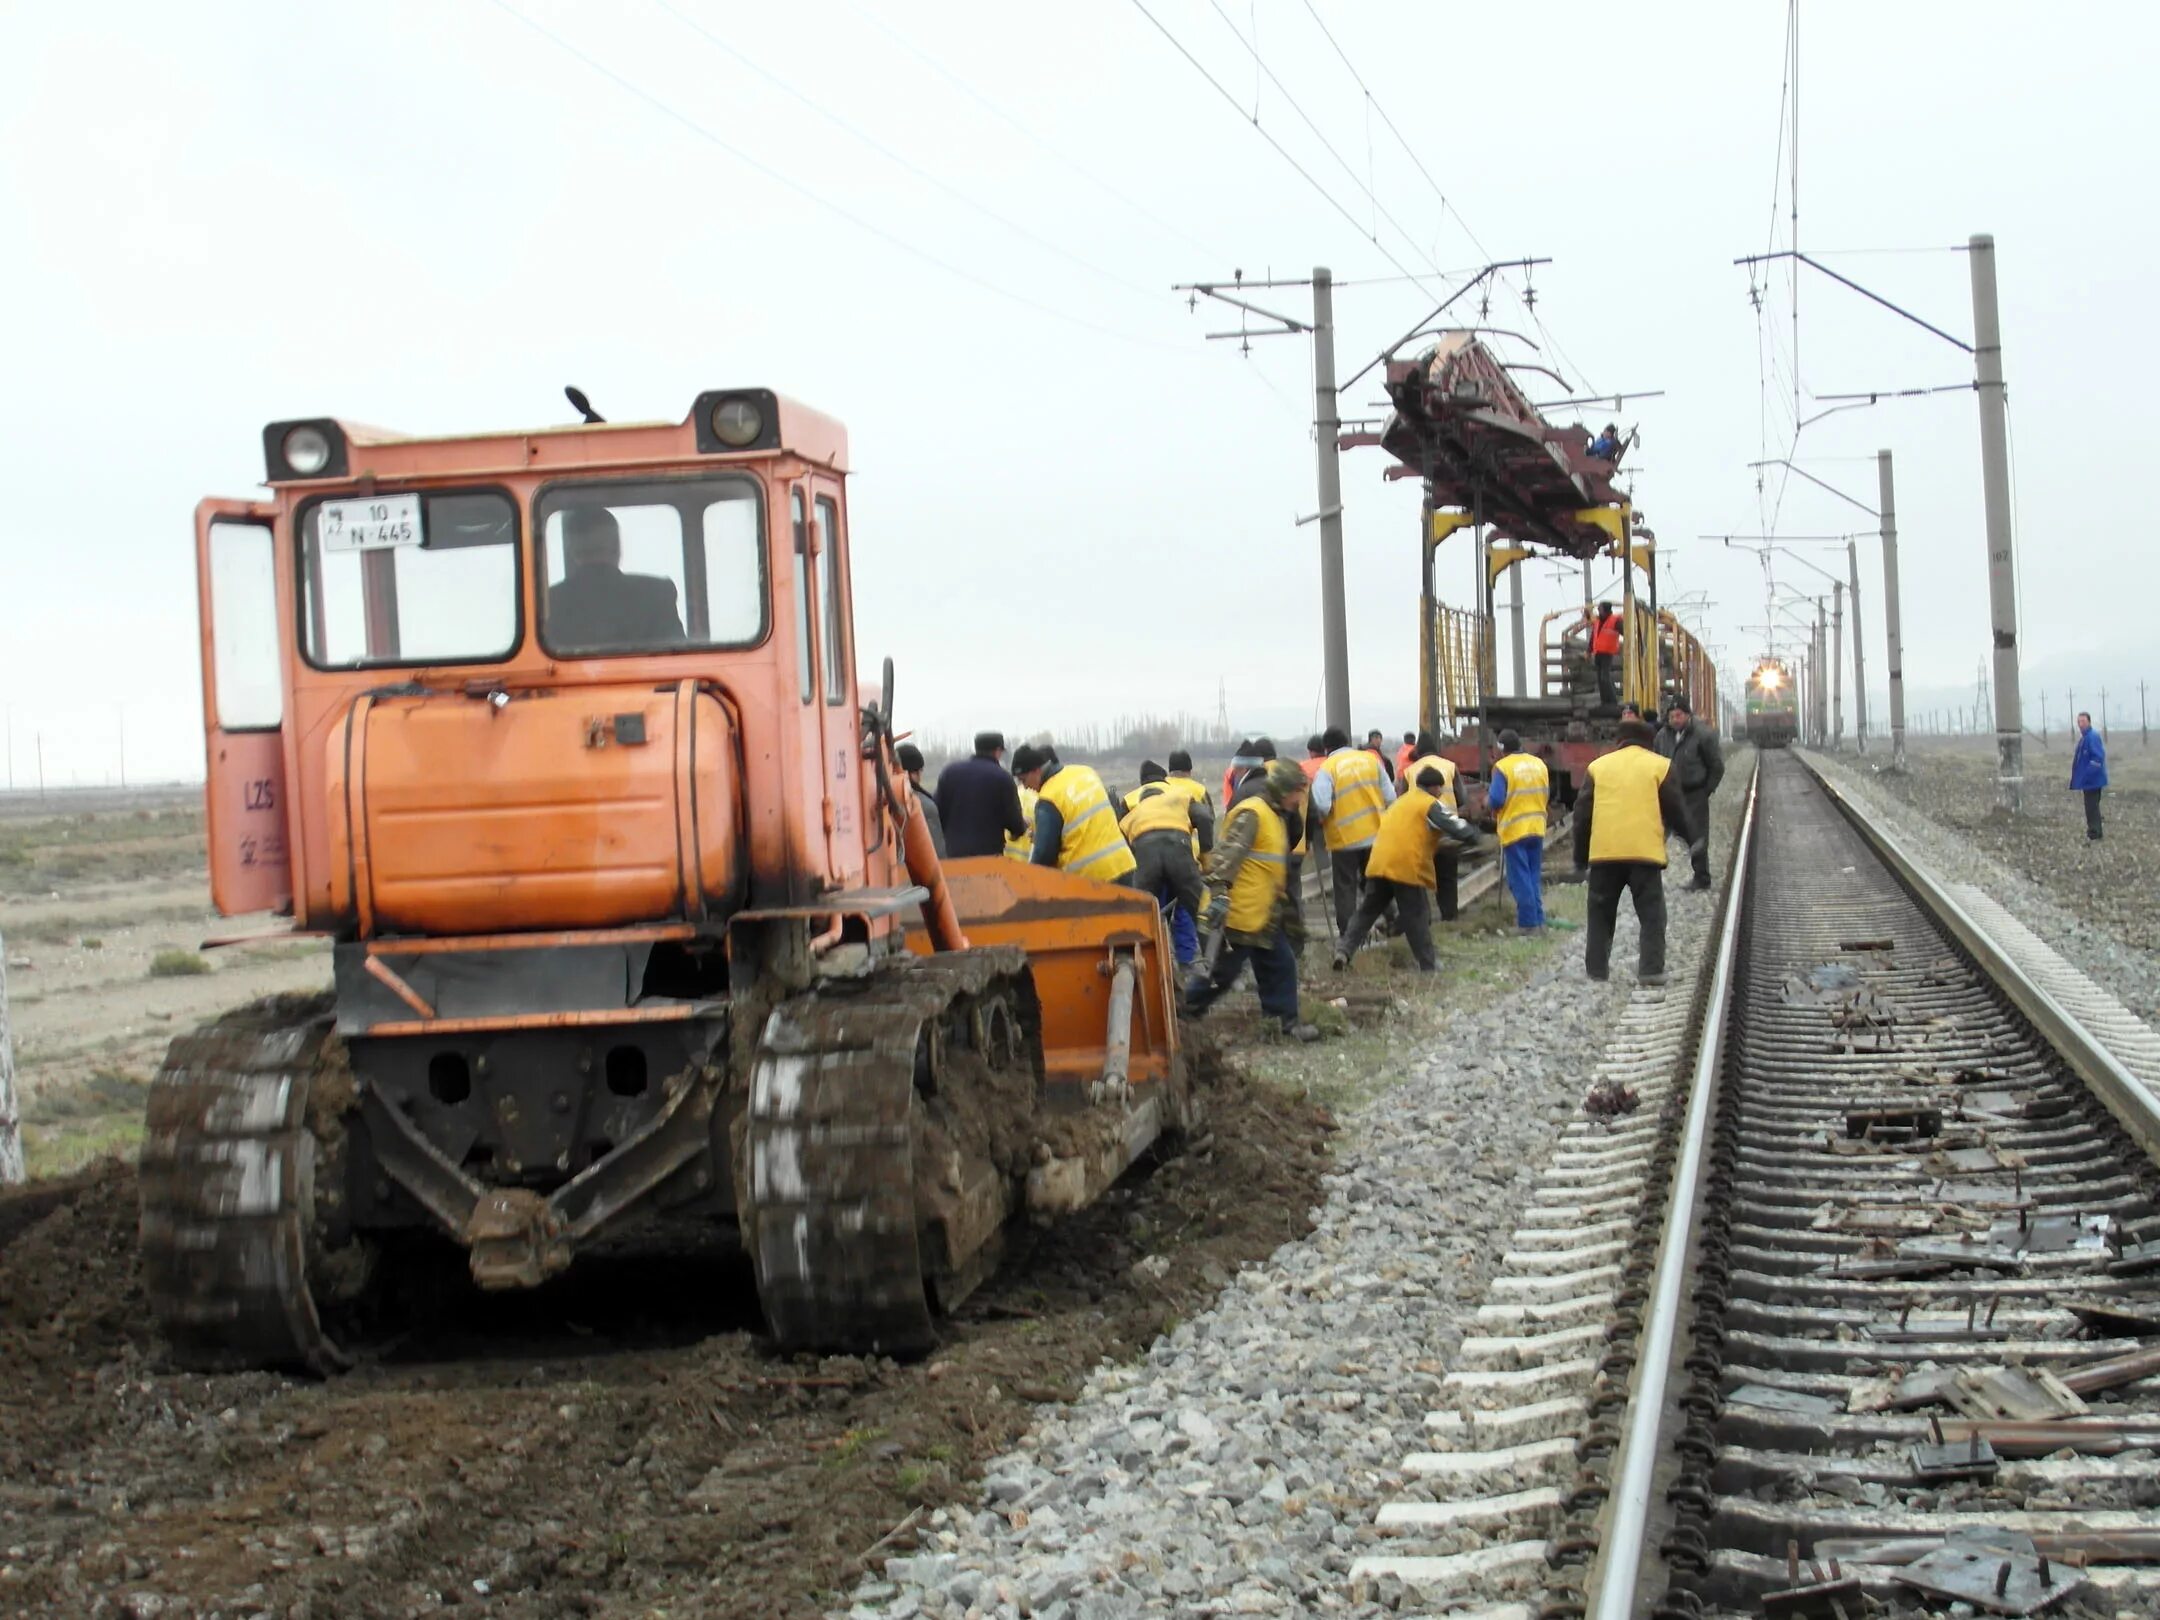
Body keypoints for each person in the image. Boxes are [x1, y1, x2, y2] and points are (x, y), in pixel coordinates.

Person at [1185, 760, 1319, 1042]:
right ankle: (1182, 1016)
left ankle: (1284, 1024)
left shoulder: (1275, 814)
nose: (1300, 799)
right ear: (1284, 789)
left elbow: (1265, 866)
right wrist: (1220, 896)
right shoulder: (1253, 814)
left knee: (1281, 965)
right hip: (1236, 915)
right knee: (1221, 975)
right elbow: (1224, 858)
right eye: (1298, 791)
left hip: (1260, 913)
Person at [1572, 718, 1692, 986]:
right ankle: (1650, 970)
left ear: (1619, 741)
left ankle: (1597, 971)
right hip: (1644, 855)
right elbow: (1676, 810)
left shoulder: (1597, 768)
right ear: (1649, 742)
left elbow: (1581, 817)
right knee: (1652, 915)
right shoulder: (1660, 766)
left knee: (1600, 914)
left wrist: (1580, 858)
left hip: (1604, 854)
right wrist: (1691, 840)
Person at [1332, 766, 1483, 973]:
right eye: (1439, 789)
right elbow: (1455, 826)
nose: (1440, 793)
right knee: (1417, 915)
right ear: (1434, 787)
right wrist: (1475, 834)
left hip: (1379, 862)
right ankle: (1428, 965)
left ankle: (1344, 951)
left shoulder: (1400, 802)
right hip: (1405, 866)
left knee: (1367, 912)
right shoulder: (1428, 803)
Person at [547, 507, 687, 652]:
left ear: (573, 552)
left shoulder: (550, 601)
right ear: (617, 547)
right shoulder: (658, 593)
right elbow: (678, 655)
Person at [1309, 726, 1395, 925]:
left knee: (1345, 888)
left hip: (1344, 841)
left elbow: (1322, 805)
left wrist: (1320, 821)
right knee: (1376, 883)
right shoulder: (1370, 760)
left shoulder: (1327, 769)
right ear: (1346, 742)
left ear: (1326, 748)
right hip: (1376, 836)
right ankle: (1393, 919)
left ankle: (1347, 935)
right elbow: (1391, 797)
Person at [1016, 744, 1136, 884]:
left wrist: (1029, 882)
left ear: (1036, 771)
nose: (1025, 787)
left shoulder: (1048, 799)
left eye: (1023, 780)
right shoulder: (1086, 772)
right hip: (1123, 865)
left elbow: (1044, 855)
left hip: (1090, 880)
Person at [1121, 763, 1204, 965]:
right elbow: (1204, 817)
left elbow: (1123, 841)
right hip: (1183, 859)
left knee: (1152, 913)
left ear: (1142, 782)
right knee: (1185, 911)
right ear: (1164, 778)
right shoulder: (1181, 793)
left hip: (1147, 862)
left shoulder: (1130, 799)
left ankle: (1156, 961)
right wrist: (1206, 857)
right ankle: (1188, 961)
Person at [1654, 699, 1724, 891]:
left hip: (1694, 793)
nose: (1675, 720)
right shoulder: (1662, 736)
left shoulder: (1703, 735)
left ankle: (1702, 878)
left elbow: (1716, 766)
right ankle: (1649, 880)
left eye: (1678, 715)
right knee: (1656, 834)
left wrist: (1705, 790)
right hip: (1668, 794)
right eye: (1671, 716)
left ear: (1688, 715)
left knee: (1697, 836)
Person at [1487, 730, 1550, 931]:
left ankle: (1528, 924)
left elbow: (1496, 800)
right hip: (1537, 827)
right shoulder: (1539, 764)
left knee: (1520, 878)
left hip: (1515, 830)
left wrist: (1486, 802)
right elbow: (1546, 793)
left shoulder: (1503, 768)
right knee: (1532, 875)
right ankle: (1539, 921)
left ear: (1501, 748)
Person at [1401, 732, 1465, 920]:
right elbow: (1461, 798)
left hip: (1421, 835)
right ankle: (1450, 915)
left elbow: (1402, 801)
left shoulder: (1410, 771)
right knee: (1447, 878)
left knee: (1420, 879)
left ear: (1418, 751)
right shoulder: (1450, 767)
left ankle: (1424, 918)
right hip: (1447, 833)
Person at [936, 731, 1029, 858]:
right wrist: (1021, 827)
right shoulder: (1002, 777)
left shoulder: (949, 772)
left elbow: (937, 811)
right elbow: (1013, 819)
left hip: (954, 854)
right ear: (998, 751)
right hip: (989, 856)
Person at [894, 743, 946, 858]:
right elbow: (936, 848)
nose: (919, 776)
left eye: (920, 771)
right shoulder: (924, 805)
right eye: (916, 772)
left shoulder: (885, 799)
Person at [2071, 711, 2109, 840]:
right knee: (2091, 807)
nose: (2081, 724)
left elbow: (2098, 758)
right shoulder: (2085, 738)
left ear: (2089, 722)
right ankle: (2094, 831)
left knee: (2092, 807)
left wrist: (2088, 775)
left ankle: (2095, 833)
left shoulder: (2092, 737)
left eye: (2083, 722)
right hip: (2088, 781)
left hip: (2093, 781)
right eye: (2079, 722)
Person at [1588, 603, 1622, 707]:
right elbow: (1593, 637)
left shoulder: (1615, 621)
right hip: (1598, 653)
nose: (1598, 611)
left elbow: (1625, 632)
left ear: (1605, 610)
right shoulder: (1598, 621)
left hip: (1607, 653)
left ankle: (1612, 701)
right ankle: (1605, 701)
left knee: (1605, 677)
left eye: (1600, 609)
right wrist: (1588, 651)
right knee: (1600, 679)